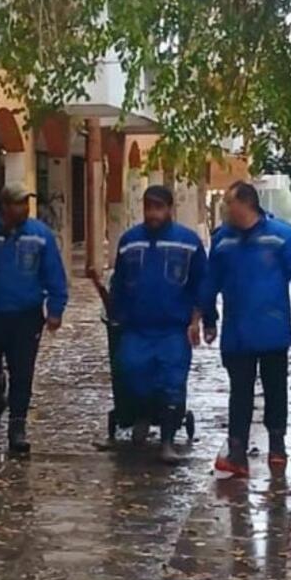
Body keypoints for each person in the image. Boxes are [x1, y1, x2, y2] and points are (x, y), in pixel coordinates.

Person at [200, 179, 291, 475]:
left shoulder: (282, 236)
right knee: (240, 391)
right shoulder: (222, 239)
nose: (224, 208)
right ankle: (237, 451)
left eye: (227, 203)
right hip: (237, 332)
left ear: (245, 204)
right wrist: (208, 318)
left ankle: (277, 445)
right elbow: (211, 282)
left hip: (272, 328)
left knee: (276, 388)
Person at [0, 181, 68, 457]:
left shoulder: (41, 235)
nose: (24, 208)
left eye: (26, 202)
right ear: (5, 206)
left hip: (25, 316)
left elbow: (54, 273)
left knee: (23, 371)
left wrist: (56, 309)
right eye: (18, 203)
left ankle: (17, 425)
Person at [108, 184, 211, 463]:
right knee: (130, 373)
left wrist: (201, 319)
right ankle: (141, 416)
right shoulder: (129, 241)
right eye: (148, 207)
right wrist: (116, 315)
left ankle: (167, 441)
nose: (152, 214)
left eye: (158, 207)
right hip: (136, 329)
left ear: (169, 209)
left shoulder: (188, 242)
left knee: (171, 383)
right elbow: (118, 282)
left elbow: (203, 284)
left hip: (172, 330)